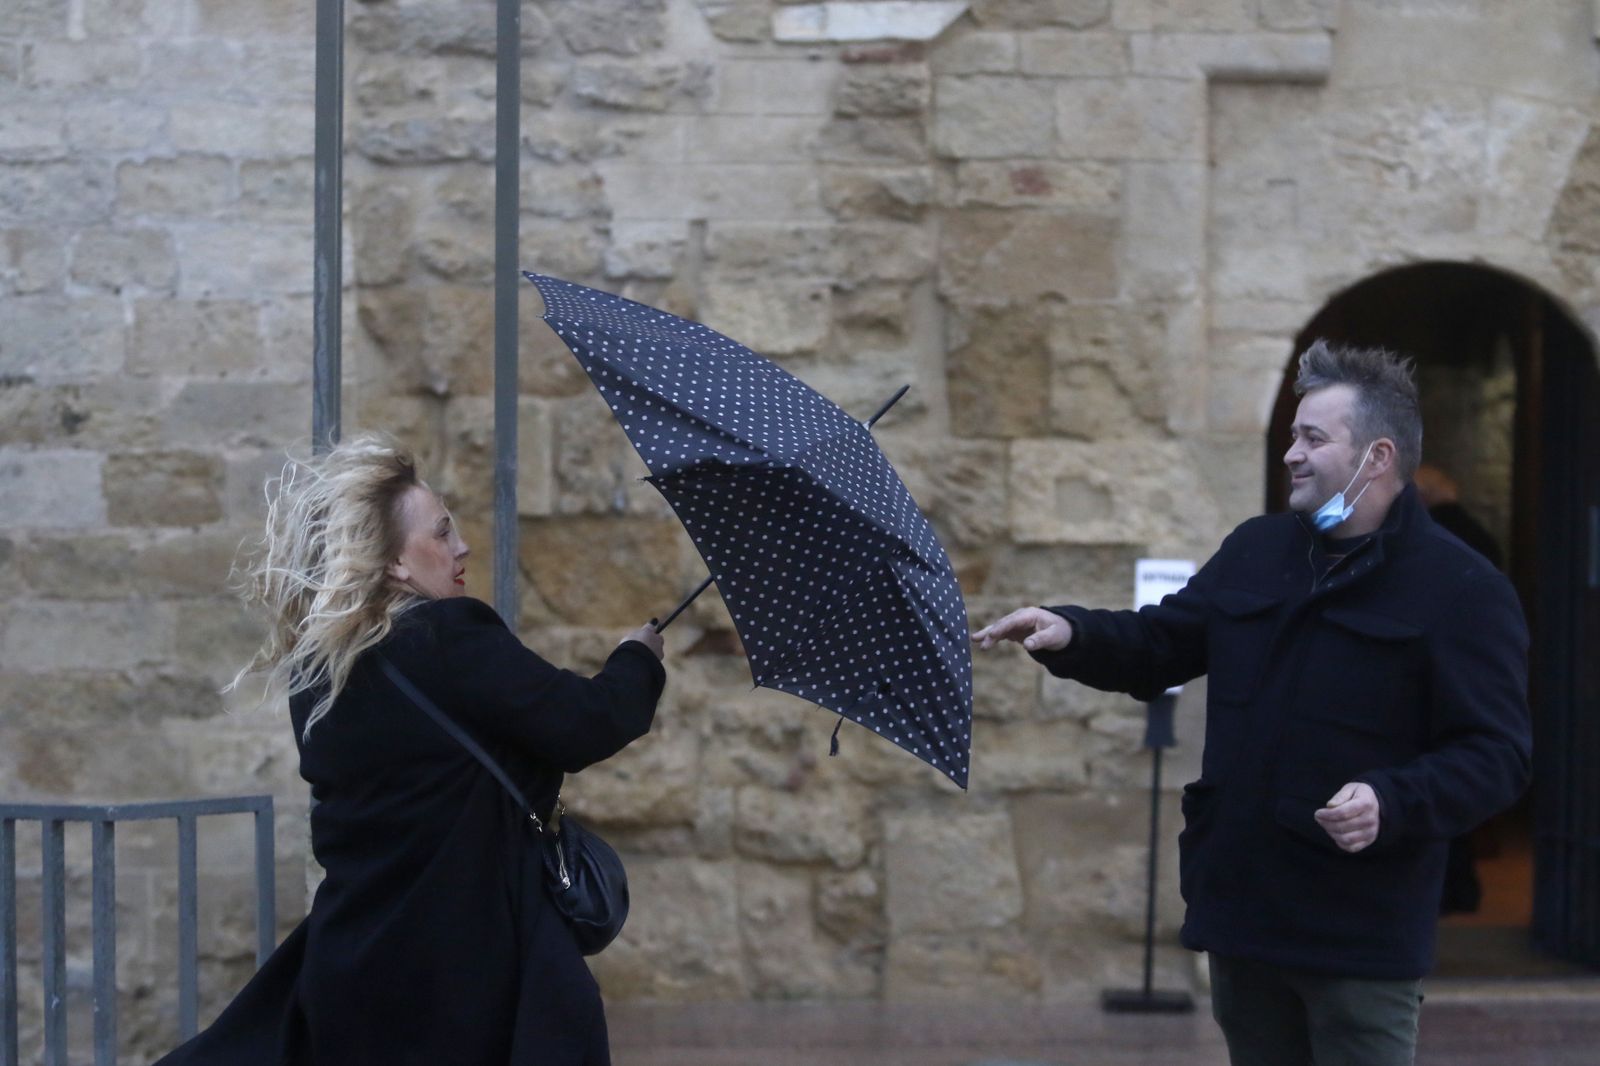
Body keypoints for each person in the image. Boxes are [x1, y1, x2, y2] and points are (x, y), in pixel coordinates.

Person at [973, 340, 1531, 1066]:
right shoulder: (1256, 550)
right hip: (1244, 915)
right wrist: (1071, 631)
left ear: (1378, 457)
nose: (1291, 454)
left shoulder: (1463, 589)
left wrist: (1392, 800)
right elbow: (1159, 643)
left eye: (1313, 438)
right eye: (1293, 435)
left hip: (1359, 934)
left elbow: (1497, 756)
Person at [156, 434, 666, 1066]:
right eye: (442, 532)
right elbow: (587, 722)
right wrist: (638, 658)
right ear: (396, 562)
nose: (463, 546)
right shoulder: (448, 636)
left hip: (356, 968)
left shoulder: (319, 673)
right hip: (466, 972)